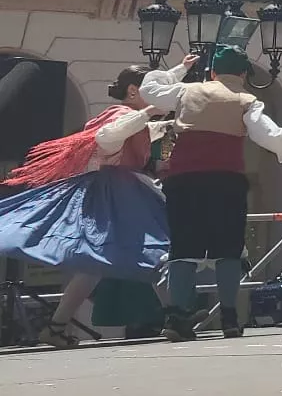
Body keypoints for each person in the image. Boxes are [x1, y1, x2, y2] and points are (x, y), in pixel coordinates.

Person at [143, 47, 282, 341]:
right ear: (244, 75)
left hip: (184, 180)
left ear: (212, 72)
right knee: (229, 250)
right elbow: (269, 133)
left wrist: (179, 70)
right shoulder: (246, 99)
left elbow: (150, 90)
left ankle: (177, 316)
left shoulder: (187, 91)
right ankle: (230, 318)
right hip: (225, 181)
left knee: (183, 249)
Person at [0, 66, 169, 347]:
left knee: (98, 264)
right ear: (133, 91)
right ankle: (177, 315)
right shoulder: (124, 115)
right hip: (117, 192)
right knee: (157, 250)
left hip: (121, 190)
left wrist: (178, 76)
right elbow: (109, 137)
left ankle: (57, 326)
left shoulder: (130, 116)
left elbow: (138, 129)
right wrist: (151, 112)